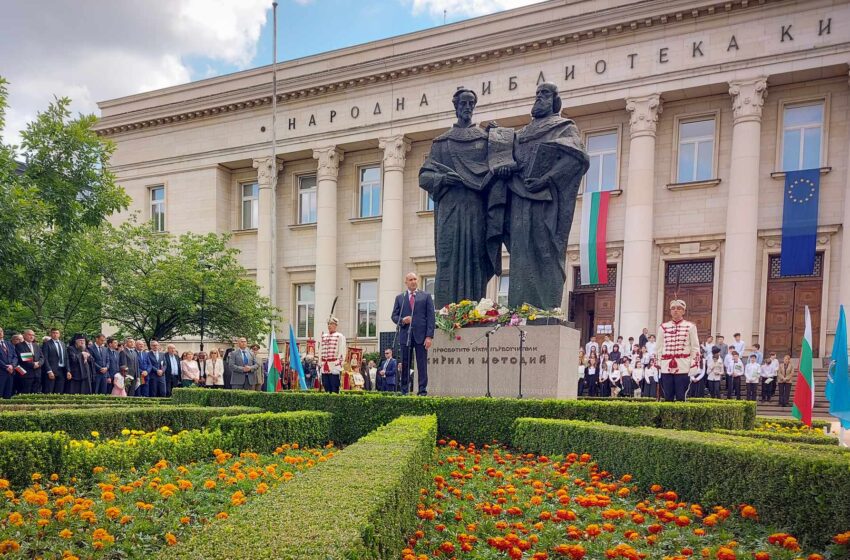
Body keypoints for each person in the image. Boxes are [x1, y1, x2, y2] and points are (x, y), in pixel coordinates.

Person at [492, 82, 589, 308]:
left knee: (545, 249)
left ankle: (545, 308)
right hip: (518, 197)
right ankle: (519, 307)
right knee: (520, 252)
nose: (539, 98)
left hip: (545, 200)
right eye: (537, 94)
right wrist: (498, 141)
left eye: (544, 94)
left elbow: (576, 159)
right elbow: (507, 158)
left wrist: (546, 179)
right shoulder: (522, 133)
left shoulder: (564, 127)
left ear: (554, 101)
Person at [419, 88, 495, 307]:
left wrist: (500, 137)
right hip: (449, 210)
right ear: (456, 106)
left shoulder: (484, 140)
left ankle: (473, 310)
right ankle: (446, 313)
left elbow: (500, 165)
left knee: (475, 260)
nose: (468, 107)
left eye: (471, 103)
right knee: (448, 258)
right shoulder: (442, 143)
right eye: (463, 103)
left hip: (475, 209)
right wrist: (442, 179)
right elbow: (424, 176)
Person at [391, 272, 436, 396]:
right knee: (405, 363)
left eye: (415, 279)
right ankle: (404, 390)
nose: (413, 281)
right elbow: (394, 316)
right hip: (406, 335)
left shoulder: (425, 296)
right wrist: (402, 321)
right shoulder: (400, 298)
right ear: (406, 282)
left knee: (421, 364)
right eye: (410, 279)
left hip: (421, 336)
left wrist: (429, 336)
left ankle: (422, 391)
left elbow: (431, 317)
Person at [656, 299, 700, 402]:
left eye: (679, 308)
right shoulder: (663, 327)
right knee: (667, 396)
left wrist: (694, 364)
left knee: (681, 396)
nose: (676, 311)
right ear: (670, 311)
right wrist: (657, 365)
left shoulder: (690, 327)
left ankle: (681, 417)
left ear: (683, 311)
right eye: (673, 308)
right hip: (666, 366)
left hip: (683, 366)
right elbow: (658, 348)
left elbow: (695, 348)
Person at [319, 318, 346, 394]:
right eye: (328, 324)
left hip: (334, 365)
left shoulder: (339, 336)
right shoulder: (323, 336)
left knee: (334, 386)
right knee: (326, 385)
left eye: (331, 324)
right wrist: (320, 363)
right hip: (324, 365)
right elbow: (320, 350)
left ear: (335, 325)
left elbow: (342, 351)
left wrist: (339, 363)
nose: (329, 326)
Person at [14, 329, 43, 395]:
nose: (32, 336)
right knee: (25, 393)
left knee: (36, 394)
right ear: (24, 335)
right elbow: (25, 358)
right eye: (29, 335)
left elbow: (42, 357)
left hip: (37, 374)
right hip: (26, 374)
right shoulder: (20, 345)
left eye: (33, 335)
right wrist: (33, 365)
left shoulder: (36, 345)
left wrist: (39, 364)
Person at [42, 327, 68, 394]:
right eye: (53, 333)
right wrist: (49, 371)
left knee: (60, 390)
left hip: (62, 370)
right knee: (49, 390)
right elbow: (45, 358)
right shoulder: (47, 344)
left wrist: (68, 370)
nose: (55, 334)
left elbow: (66, 358)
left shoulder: (63, 344)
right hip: (52, 370)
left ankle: (57, 404)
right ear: (50, 334)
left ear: (59, 334)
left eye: (57, 333)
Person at [0, 327, 19, 399]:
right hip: (1, 372)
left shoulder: (8, 343)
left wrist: (12, 365)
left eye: (1, 331)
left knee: (8, 394)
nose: (0, 333)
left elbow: (15, 356)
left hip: (10, 372)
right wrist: (6, 367)